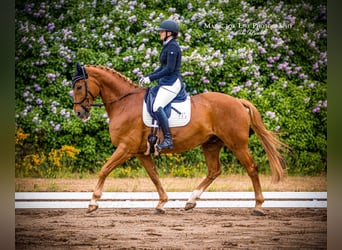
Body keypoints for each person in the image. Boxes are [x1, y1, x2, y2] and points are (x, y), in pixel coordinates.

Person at [140, 19, 186, 152]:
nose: (160, 33)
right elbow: (162, 67)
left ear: (169, 33)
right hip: (165, 82)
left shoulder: (173, 47)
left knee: (157, 106)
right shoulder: (167, 45)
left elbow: (169, 69)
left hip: (172, 83)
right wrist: (148, 76)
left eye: (162, 31)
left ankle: (168, 139)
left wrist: (152, 78)